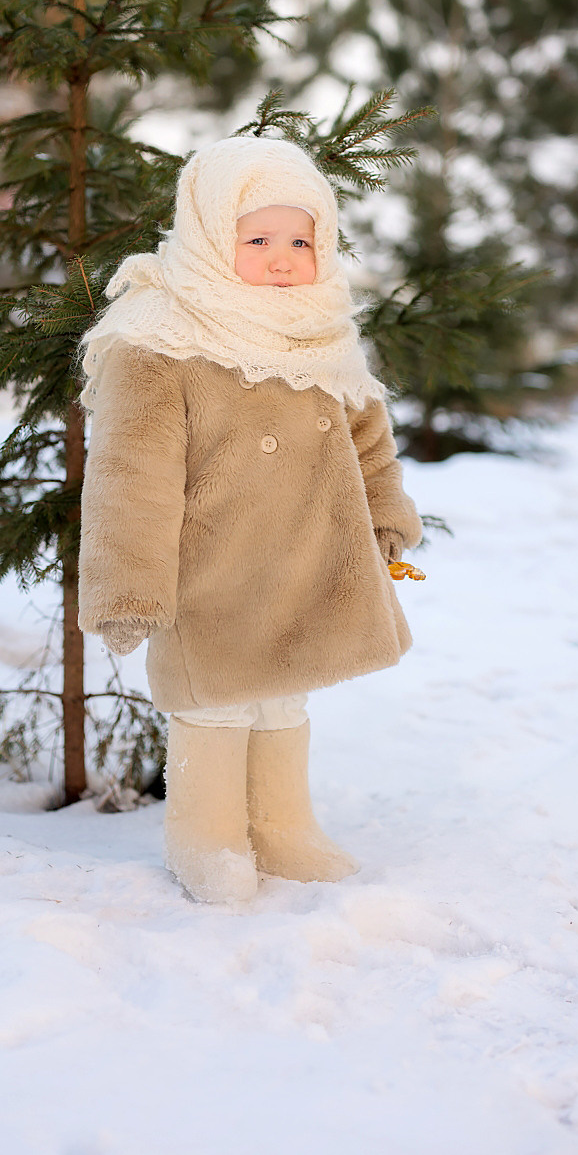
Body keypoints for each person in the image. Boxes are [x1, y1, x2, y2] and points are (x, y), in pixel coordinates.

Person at [78, 135, 422, 903]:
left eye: (300, 241)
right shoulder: (158, 339)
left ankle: (281, 826)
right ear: (208, 234)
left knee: (283, 697)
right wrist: (127, 588)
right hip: (215, 568)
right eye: (258, 239)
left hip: (306, 558)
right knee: (217, 702)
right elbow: (130, 480)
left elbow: (368, 437)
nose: (283, 260)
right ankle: (204, 838)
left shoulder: (319, 327)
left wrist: (385, 517)